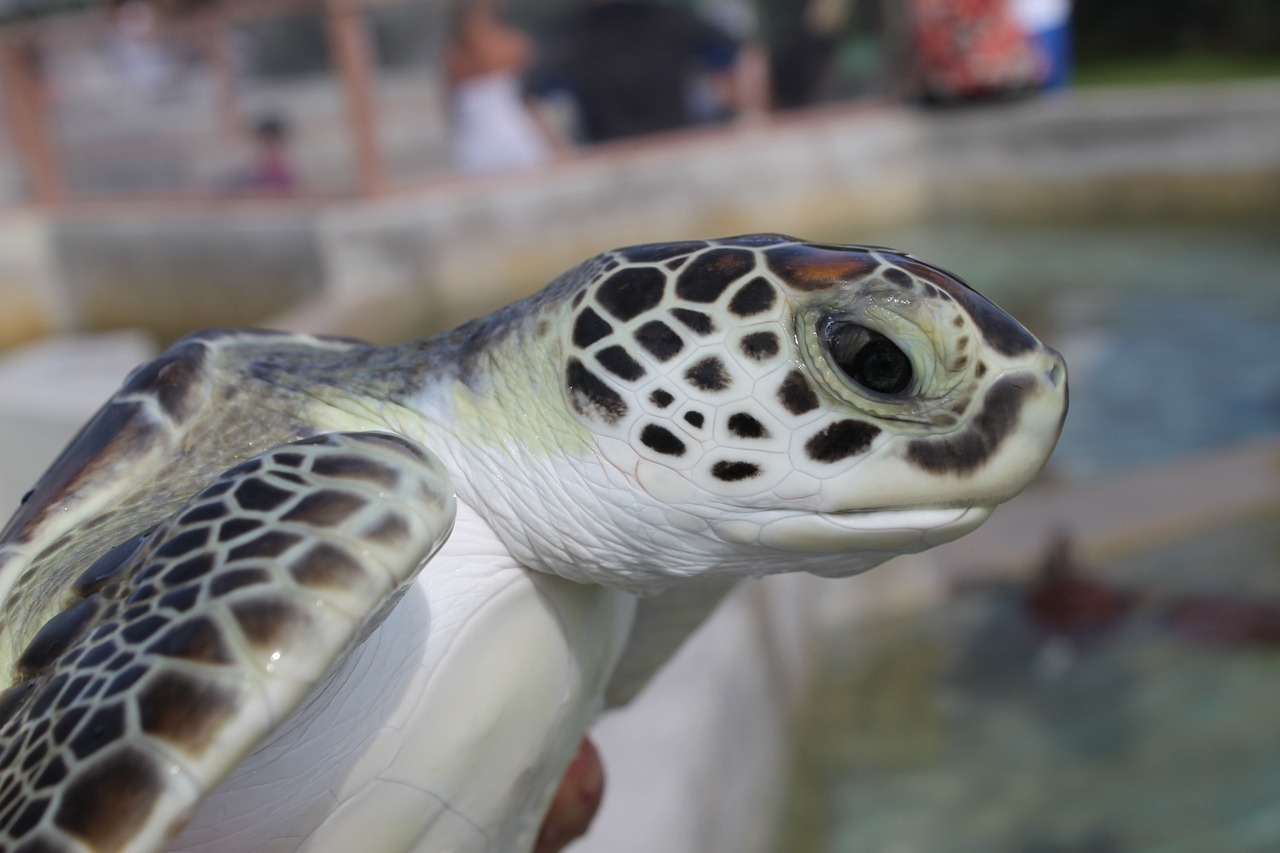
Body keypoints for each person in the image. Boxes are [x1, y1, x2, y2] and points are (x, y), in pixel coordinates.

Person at [529, 0, 742, 144]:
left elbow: (734, 57)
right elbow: (531, 95)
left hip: (668, 151)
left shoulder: (570, 38)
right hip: (624, 163)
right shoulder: (572, 39)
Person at [446, 0, 553, 174]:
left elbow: (452, 112)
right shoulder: (513, 45)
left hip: (477, 148)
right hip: (514, 140)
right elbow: (530, 102)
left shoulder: (452, 58)